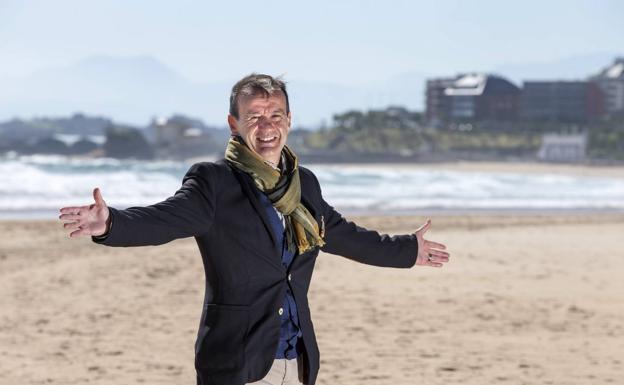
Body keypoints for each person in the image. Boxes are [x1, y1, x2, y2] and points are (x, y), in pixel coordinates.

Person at [59, 73, 450, 385]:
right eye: (255, 117)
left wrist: (407, 249)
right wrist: (110, 223)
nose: (267, 126)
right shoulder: (214, 182)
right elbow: (164, 219)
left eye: (276, 115)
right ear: (234, 124)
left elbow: (343, 234)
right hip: (238, 363)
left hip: (296, 361)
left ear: (289, 121)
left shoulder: (304, 185)